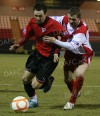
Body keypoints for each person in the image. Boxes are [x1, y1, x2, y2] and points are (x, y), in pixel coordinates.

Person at [9, 3, 67, 108]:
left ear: (45, 14)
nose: (38, 18)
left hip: (49, 59)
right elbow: (26, 35)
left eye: (40, 16)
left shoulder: (53, 24)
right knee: (25, 79)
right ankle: (34, 101)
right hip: (37, 55)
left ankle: (48, 80)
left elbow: (65, 36)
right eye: (36, 15)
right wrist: (18, 44)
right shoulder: (32, 22)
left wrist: (56, 51)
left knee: (34, 85)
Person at [43, 6, 93, 110]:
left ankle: (71, 102)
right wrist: (40, 20)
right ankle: (76, 92)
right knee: (67, 79)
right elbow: (49, 19)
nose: (70, 21)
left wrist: (54, 41)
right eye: (69, 18)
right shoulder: (64, 19)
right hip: (70, 55)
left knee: (79, 74)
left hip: (83, 54)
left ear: (79, 18)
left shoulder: (82, 29)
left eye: (73, 19)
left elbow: (72, 46)